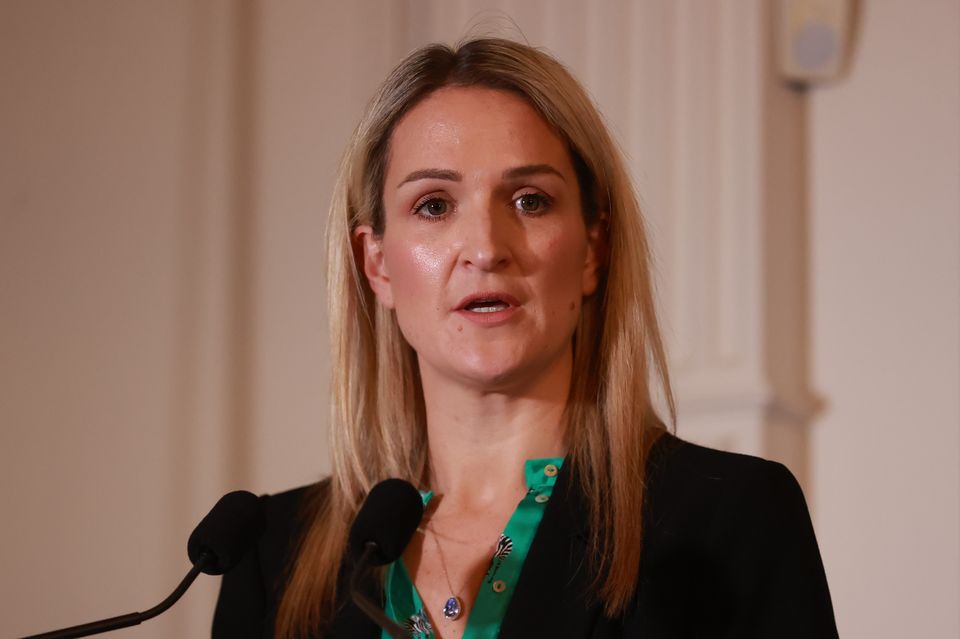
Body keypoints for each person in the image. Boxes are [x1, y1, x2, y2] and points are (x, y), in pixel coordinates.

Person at [212, 38, 838, 639]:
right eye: (434, 205)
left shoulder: (731, 520)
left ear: (594, 249)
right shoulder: (268, 557)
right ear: (376, 264)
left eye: (531, 201)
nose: (486, 248)